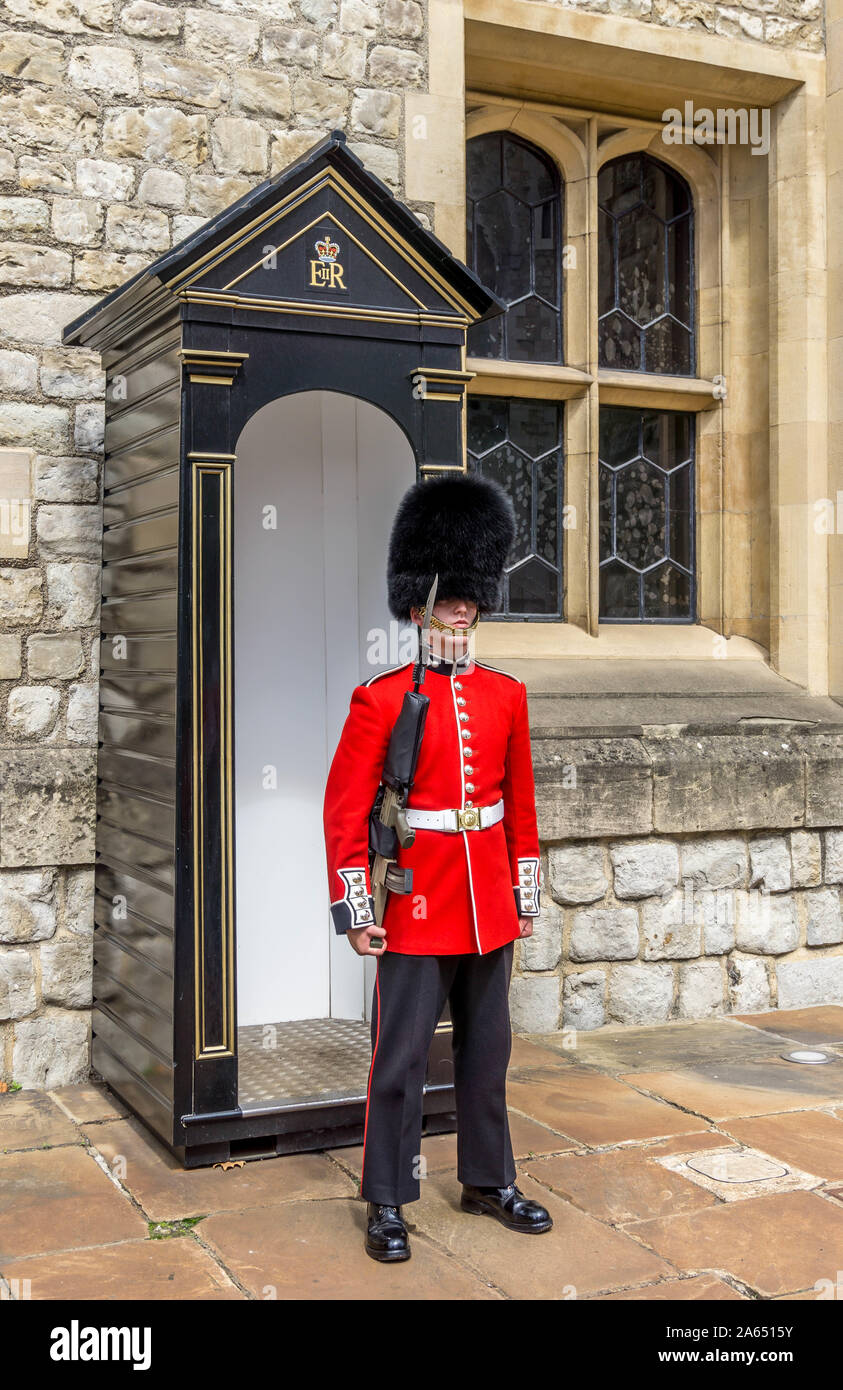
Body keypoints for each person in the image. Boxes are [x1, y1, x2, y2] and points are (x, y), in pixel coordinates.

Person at [322, 471, 553, 1262]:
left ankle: (487, 1180)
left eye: (470, 596)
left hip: (488, 900)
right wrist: (358, 912)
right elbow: (345, 815)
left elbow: (518, 809)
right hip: (415, 905)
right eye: (448, 596)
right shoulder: (381, 700)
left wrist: (523, 895)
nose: (461, 608)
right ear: (418, 603)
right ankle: (386, 1196)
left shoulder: (506, 695)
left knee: (487, 1056)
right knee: (402, 1060)